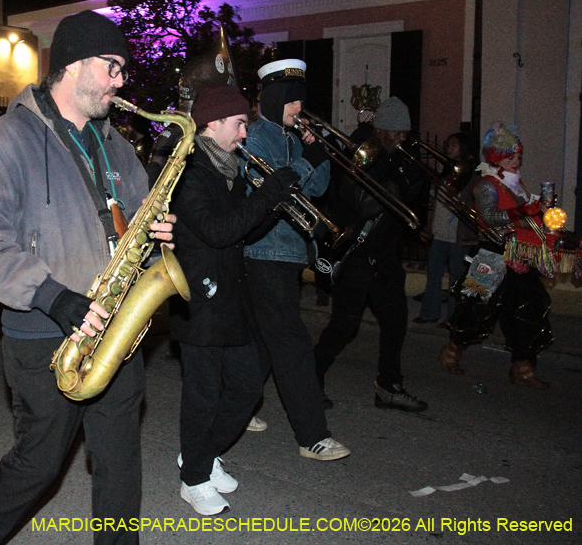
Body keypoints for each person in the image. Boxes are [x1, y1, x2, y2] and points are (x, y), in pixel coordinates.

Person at [0, 10, 175, 545]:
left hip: (119, 327)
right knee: (40, 463)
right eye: (112, 66)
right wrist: (52, 296)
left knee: (120, 460)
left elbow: (135, 212)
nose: (122, 81)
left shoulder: (116, 144)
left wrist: (158, 232)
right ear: (74, 65)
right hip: (45, 333)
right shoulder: (7, 141)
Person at [169, 84, 299, 515]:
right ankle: (193, 479)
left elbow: (242, 234)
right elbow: (218, 230)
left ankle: (200, 456)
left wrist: (275, 205)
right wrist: (266, 195)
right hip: (200, 299)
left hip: (231, 296)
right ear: (214, 122)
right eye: (240, 124)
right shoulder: (189, 171)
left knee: (246, 387)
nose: (244, 134)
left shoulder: (229, 170)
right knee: (203, 394)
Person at [243, 59, 350, 459]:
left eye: (301, 99)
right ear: (273, 98)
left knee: (262, 344)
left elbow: (317, 189)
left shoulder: (292, 136)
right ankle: (312, 436)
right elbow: (278, 189)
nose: (298, 107)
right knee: (291, 344)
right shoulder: (257, 137)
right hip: (263, 252)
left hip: (290, 252)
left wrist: (317, 153)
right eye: (292, 99)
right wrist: (306, 160)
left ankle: (236, 406)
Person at [313, 96, 428, 412]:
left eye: (405, 133)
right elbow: (363, 204)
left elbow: (412, 202)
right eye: (396, 133)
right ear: (382, 130)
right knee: (344, 326)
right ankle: (310, 376)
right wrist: (397, 179)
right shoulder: (360, 155)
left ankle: (389, 386)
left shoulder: (398, 157)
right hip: (358, 253)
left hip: (385, 253)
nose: (401, 139)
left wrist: (412, 173)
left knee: (396, 318)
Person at [440, 122, 552, 387]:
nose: (517, 162)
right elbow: (489, 217)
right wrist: (523, 213)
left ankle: (522, 368)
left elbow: (525, 217)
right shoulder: (486, 185)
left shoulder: (516, 185)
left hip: (518, 255)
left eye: (518, 157)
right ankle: (451, 351)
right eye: (511, 157)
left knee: (526, 309)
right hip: (491, 255)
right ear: (498, 159)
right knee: (475, 308)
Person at [413, 133, 476, 326]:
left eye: (454, 145)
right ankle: (429, 312)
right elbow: (438, 203)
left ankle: (453, 318)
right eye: (448, 144)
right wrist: (429, 227)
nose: (449, 148)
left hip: (458, 233)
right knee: (434, 273)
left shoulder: (470, 175)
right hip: (440, 230)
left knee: (456, 278)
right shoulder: (444, 170)